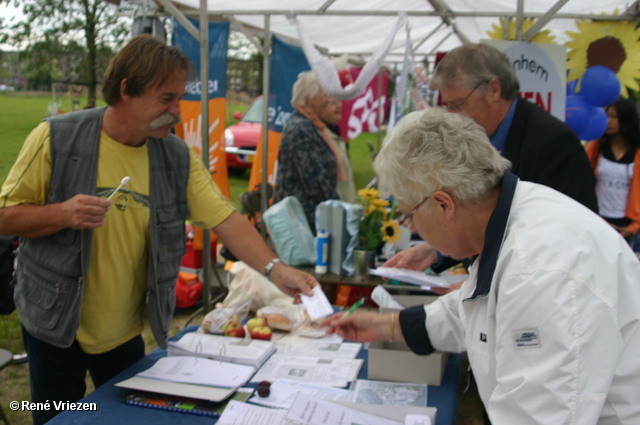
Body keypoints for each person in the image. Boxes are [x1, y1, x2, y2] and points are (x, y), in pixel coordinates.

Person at [0, 35, 316, 425]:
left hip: (126, 332)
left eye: (179, 99)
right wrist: (61, 213)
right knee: (56, 416)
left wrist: (276, 270)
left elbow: (227, 220)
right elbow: (5, 216)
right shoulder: (56, 136)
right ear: (126, 91)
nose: (177, 112)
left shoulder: (176, 156)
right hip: (54, 323)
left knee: (125, 419)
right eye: (166, 99)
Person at [324, 108, 640, 424]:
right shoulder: (510, 221)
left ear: (444, 204)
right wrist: (386, 325)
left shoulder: (538, 270)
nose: (414, 230)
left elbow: (535, 416)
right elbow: (475, 312)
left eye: (409, 216)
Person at [386, 42, 599, 284]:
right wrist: (437, 251)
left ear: (494, 90)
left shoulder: (554, 143)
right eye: (447, 106)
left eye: (457, 104)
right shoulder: (483, 136)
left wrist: (485, 288)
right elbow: (478, 219)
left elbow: (565, 241)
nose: (453, 115)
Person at [273, 71, 343, 233]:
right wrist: (341, 210)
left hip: (306, 219)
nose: (326, 100)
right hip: (302, 223)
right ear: (308, 99)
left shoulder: (309, 125)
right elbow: (315, 182)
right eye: (322, 95)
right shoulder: (301, 128)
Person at [585, 98, 640, 253]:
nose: (608, 121)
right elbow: (584, 176)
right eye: (606, 116)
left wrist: (634, 226)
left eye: (614, 117)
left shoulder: (636, 152)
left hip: (626, 225)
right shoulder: (597, 147)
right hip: (598, 219)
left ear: (626, 118)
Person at [320, 97, 356, 203]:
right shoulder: (321, 138)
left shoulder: (336, 134)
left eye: (339, 102)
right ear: (321, 110)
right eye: (333, 103)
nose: (339, 105)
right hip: (335, 210)